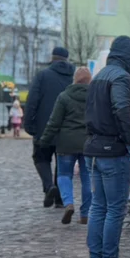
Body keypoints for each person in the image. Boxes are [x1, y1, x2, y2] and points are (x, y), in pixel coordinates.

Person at [84, 37, 130, 258]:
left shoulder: (99, 76)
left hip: (94, 148)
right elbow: (120, 108)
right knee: (115, 209)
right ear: (128, 56)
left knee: (98, 206)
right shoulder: (120, 77)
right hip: (112, 150)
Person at [40, 67, 92, 225]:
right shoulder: (94, 97)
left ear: (74, 80)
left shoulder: (64, 96)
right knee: (87, 178)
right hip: (88, 143)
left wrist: (44, 140)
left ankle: (68, 202)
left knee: (64, 175)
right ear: (90, 80)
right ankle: (85, 214)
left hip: (66, 143)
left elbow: (54, 122)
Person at [24, 46, 74, 208]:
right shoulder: (73, 76)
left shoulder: (42, 75)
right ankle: (59, 198)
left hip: (43, 127)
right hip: (67, 128)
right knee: (62, 164)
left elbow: (32, 101)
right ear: (67, 59)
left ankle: (49, 186)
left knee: (41, 158)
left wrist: (29, 124)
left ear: (52, 58)